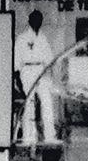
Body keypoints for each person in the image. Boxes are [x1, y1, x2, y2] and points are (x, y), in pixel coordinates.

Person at [14, 9, 59, 144]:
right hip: (27, 70)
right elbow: (16, 61)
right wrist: (18, 81)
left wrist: (51, 75)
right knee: (29, 105)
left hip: (41, 71)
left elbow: (49, 59)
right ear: (29, 21)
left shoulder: (43, 38)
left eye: (39, 20)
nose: (37, 22)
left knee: (47, 103)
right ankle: (28, 136)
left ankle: (50, 136)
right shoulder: (22, 38)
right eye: (35, 19)